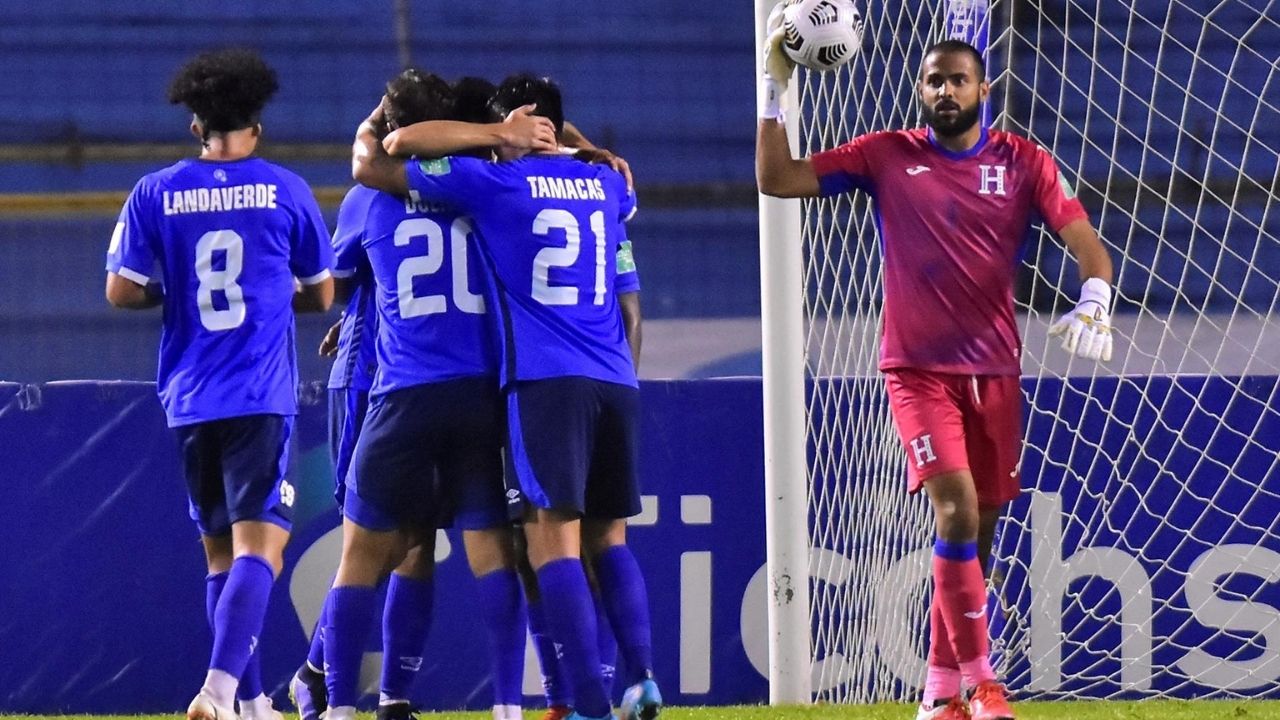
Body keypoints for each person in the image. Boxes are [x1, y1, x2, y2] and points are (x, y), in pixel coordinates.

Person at [756, 33, 1115, 720]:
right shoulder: (888, 154)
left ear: (983, 90)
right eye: (932, 81)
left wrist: (1094, 297)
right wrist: (774, 92)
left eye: (957, 80)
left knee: (978, 537)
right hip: (917, 371)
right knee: (954, 508)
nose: (944, 91)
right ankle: (984, 684)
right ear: (920, 90)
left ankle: (937, 694)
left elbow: (1085, 241)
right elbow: (778, 179)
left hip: (995, 372)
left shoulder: (1022, 160)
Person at [352, 73, 661, 720]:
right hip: (617, 379)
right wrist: (575, 141)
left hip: (542, 384)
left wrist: (500, 135)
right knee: (611, 540)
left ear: (522, 123)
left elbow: (395, 146)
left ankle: (586, 705)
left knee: (550, 544)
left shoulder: (494, 183)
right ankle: (638, 680)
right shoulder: (609, 184)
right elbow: (631, 299)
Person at [316, 70, 559, 720]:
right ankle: (508, 707)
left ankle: (339, 705)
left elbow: (340, 278)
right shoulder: (488, 186)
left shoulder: (369, 197)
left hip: (402, 395)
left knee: (368, 554)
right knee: (493, 557)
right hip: (481, 393)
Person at [104, 47, 335, 720]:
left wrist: (176, 291)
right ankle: (217, 690)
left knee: (219, 554)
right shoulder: (285, 190)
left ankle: (253, 700)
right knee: (262, 548)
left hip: (188, 395)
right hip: (258, 395)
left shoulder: (155, 191)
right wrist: (268, 291)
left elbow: (121, 290)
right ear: (257, 123)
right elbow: (322, 295)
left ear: (194, 125)